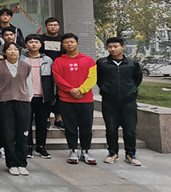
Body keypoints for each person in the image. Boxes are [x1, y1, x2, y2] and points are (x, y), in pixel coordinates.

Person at [97, 37, 143, 166]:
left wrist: (131, 90)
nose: (112, 49)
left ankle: (130, 154)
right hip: (109, 102)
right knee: (111, 129)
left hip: (128, 102)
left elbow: (137, 78)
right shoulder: (102, 63)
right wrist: (105, 89)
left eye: (115, 46)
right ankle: (112, 153)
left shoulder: (132, 63)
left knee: (130, 130)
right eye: (110, 47)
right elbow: (99, 79)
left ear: (123, 47)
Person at [52, 33, 97, 165]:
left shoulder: (89, 60)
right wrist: (71, 90)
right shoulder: (58, 61)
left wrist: (81, 90)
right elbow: (58, 79)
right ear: (62, 45)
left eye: (72, 42)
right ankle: (73, 150)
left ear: (77, 43)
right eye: (66, 42)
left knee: (86, 127)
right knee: (70, 127)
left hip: (86, 100)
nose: (69, 44)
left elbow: (92, 78)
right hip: (66, 100)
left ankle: (85, 151)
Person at [0, 42, 33, 176]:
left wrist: (27, 99)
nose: (13, 51)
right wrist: (2, 99)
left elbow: (29, 85)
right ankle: (11, 163)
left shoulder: (26, 66)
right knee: (8, 134)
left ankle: (22, 163)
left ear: (19, 52)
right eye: (9, 49)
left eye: (15, 49)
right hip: (5, 103)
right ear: (4, 52)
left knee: (23, 134)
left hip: (23, 103)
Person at [20, 34, 55, 159]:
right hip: (26, 97)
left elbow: (52, 80)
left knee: (42, 124)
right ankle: (27, 147)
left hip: (43, 97)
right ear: (26, 44)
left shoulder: (48, 60)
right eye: (30, 42)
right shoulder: (21, 59)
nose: (33, 44)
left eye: (36, 42)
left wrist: (53, 96)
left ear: (41, 44)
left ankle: (41, 147)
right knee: (26, 124)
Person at [40, 17, 65, 130]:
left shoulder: (62, 39)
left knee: (59, 93)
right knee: (46, 92)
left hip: (60, 69)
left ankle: (58, 119)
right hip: (44, 69)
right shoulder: (41, 39)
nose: (53, 27)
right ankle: (46, 119)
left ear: (59, 26)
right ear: (46, 27)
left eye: (55, 25)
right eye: (50, 25)